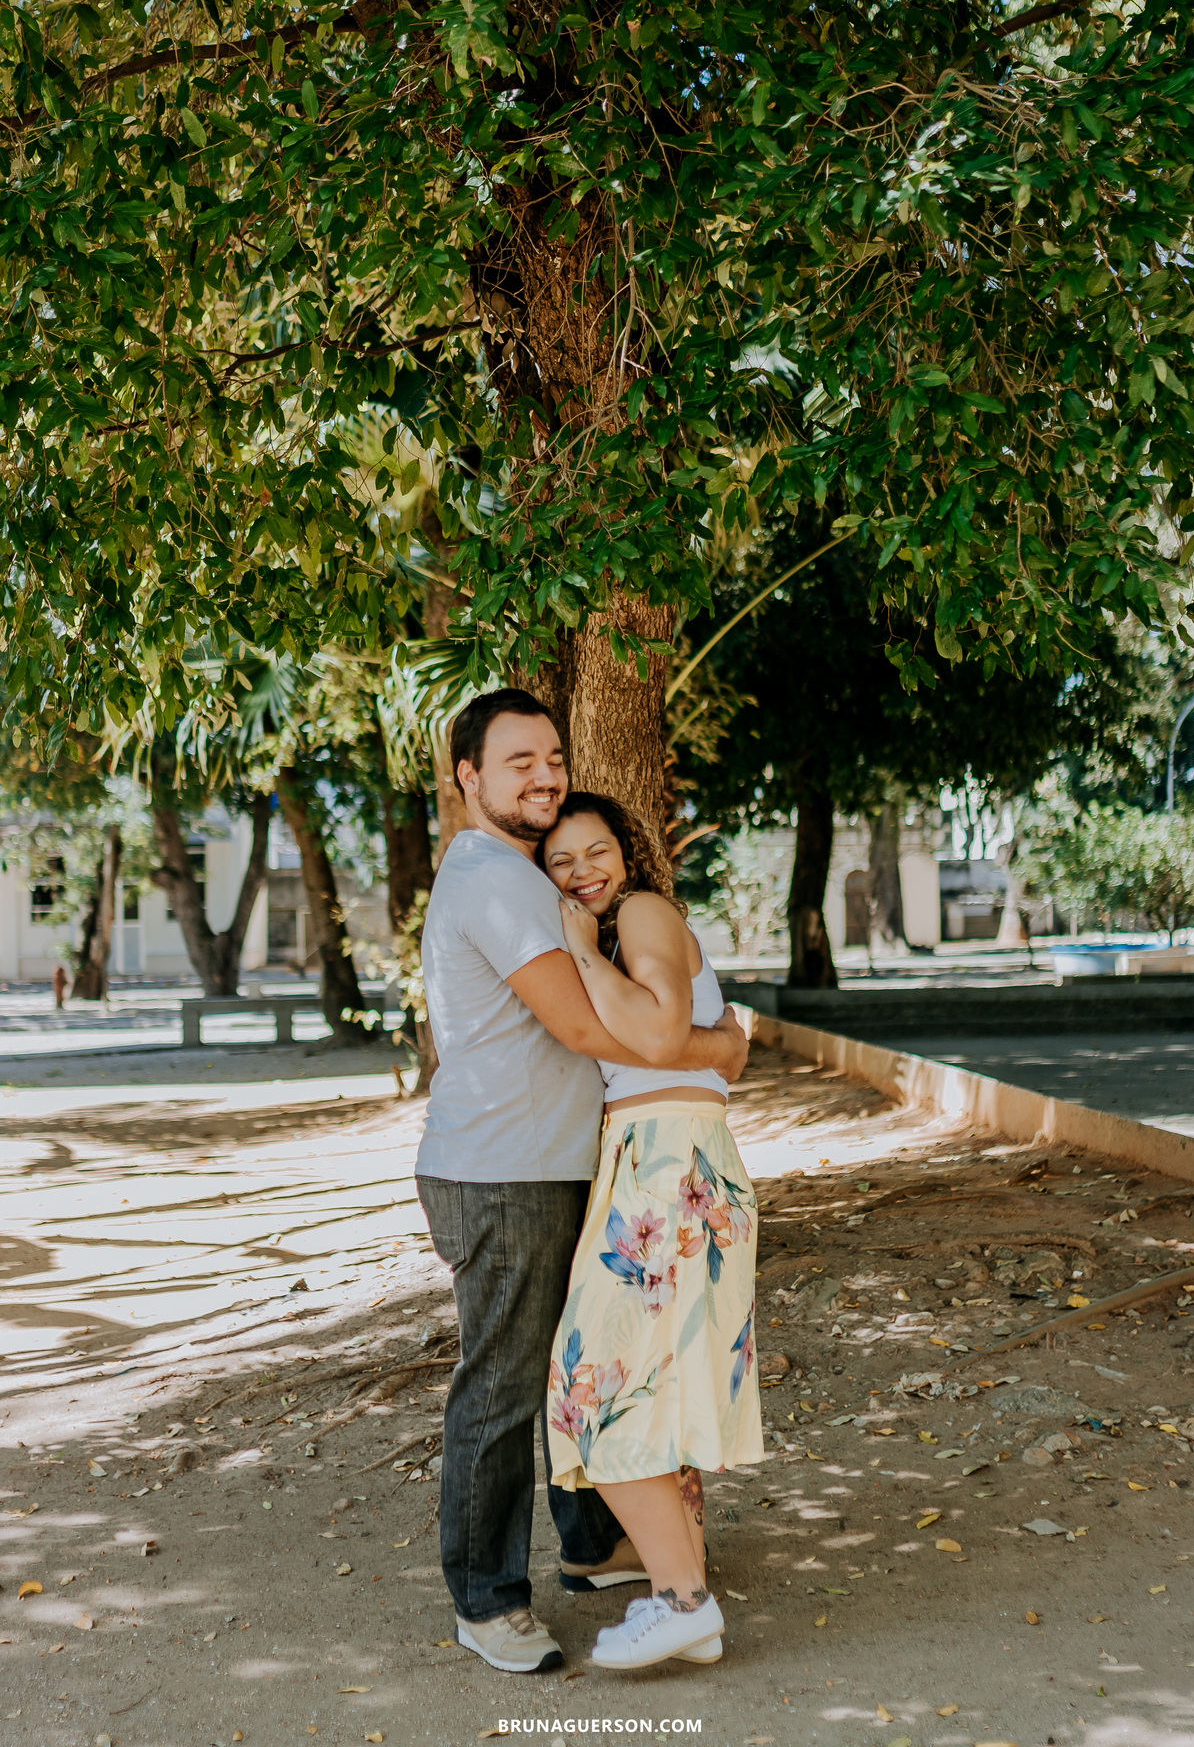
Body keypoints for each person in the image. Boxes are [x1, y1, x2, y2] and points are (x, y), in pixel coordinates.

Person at [414, 690, 750, 1676]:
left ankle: (596, 1540)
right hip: (505, 1169)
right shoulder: (494, 879)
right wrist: (714, 1048)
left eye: (551, 756)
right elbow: (587, 1029)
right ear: (467, 777)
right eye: (518, 761)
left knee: (581, 1355)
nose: (543, 774)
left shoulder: (528, 877)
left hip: (565, 1160)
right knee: (516, 1381)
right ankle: (488, 1600)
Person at [538, 792, 764, 1671]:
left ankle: (683, 1602)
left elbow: (664, 1027)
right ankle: (683, 1593)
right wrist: (718, 1045)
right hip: (658, 1158)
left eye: (595, 852)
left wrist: (587, 955)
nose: (582, 871)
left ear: (625, 855)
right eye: (561, 862)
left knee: (589, 1384)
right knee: (656, 1391)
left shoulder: (637, 913)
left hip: (669, 1163)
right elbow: (699, 1042)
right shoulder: (621, 927)